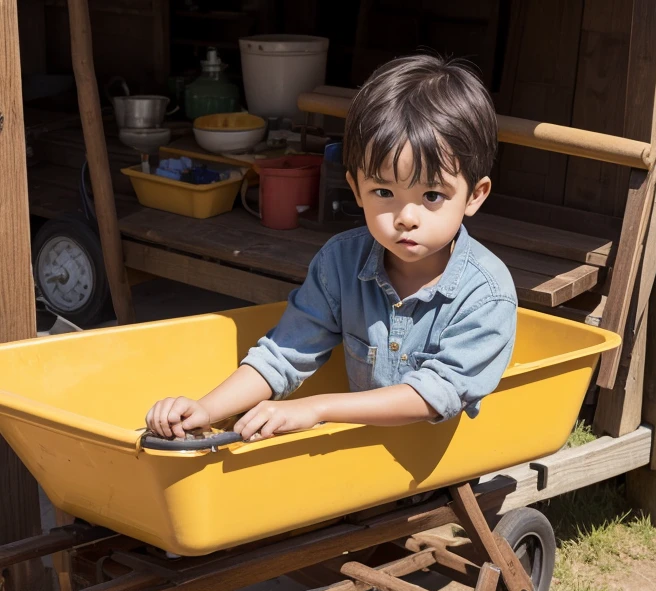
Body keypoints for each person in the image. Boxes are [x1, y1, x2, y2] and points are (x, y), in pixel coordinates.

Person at [146, 53, 517, 442]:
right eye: (384, 191)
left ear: (475, 196)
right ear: (356, 189)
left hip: (431, 461)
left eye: (432, 195)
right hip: (360, 453)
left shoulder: (486, 293)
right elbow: (284, 353)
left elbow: (434, 395)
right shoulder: (341, 262)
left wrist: (317, 407)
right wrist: (206, 409)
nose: (406, 216)